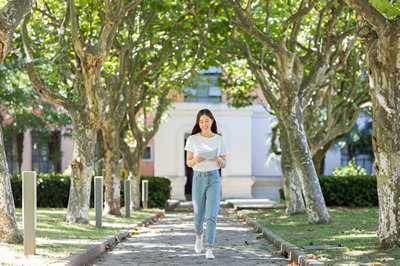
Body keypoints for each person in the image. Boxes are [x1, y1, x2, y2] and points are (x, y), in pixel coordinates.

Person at [184, 109, 228, 259]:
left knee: (211, 214)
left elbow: (224, 164)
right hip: (198, 178)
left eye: (207, 121)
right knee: (198, 216)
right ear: (198, 123)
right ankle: (198, 236)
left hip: (214, 178)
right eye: (201, 121)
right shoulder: (192, 139)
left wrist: (217, 160)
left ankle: (209, 247)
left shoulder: (220, 140)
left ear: (212, 121)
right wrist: (197, 159)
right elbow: (188, 163)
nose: (204, 124)